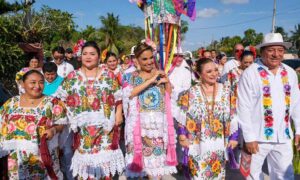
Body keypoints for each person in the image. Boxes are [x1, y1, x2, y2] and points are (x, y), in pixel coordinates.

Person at [55, 41, 124, 179]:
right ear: (80, 56)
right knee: (86, 169)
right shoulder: (72, 77)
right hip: (83, 131)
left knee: (105, 167)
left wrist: (118, 115)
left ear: (99, 57)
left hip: (106, 129)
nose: (88, 57)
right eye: (85, 53)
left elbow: (118, 97)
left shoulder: (108, 75)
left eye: (92, 54)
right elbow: (60, 99)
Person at [237, 33, 300, 179]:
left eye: (280, 50)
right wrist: (249, 137)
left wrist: (298, 129)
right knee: (253, 175)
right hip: (257, 137)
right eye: (271, 50)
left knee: (285, 174)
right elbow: (243, 107)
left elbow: (296, 103)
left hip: (283, 136)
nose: (276, 54)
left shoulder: (290, 73)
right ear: (262, 51)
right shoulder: (250, 73)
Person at [122, 42, 177, 179]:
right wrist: (151, 80)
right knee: (141, 171)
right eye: (144, 59)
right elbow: (130, 93)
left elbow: (168, 95)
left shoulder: (160, 74)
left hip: (158, 128)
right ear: (137, 60)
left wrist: (166, 81)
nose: (149, 62)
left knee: (157, 170)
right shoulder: (129, 76)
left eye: (151, 58)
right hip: (139, 128)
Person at [176, 58, 239, 179]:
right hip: (196, 144)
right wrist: (182, 136)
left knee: (217, 175)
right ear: (199, 74)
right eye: (209, 71)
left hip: (219, 145)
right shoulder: (189, 93)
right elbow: (182, 117)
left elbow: (234, 115)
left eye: (215, 70)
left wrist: (234, 137)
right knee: (198, 175)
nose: (214, 74)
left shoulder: (227, 92)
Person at [0, 70, 67, 179]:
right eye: (33, 82)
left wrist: (53, 130)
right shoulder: (11, 103)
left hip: (43, 156)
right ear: (23, 83)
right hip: (17, 157)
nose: (37, 86)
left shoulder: (52, 102)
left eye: (41, 82)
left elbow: (62, 123)